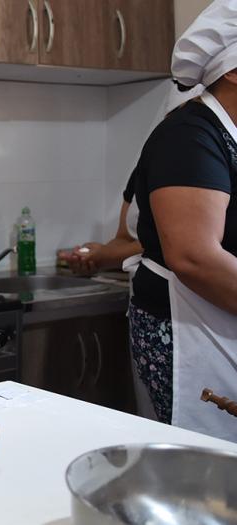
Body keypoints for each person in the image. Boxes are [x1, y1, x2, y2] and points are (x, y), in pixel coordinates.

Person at [127, 0, 237, 442]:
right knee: (200, 478)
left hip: (221, 326)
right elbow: (195, 258)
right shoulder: (191, 135)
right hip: (190, 334)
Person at [59, 170, 142, 276]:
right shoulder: (142, 170)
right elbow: (124, 239)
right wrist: (94, 258)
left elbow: (160, 245)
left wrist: (108, 255)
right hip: (137, 286)